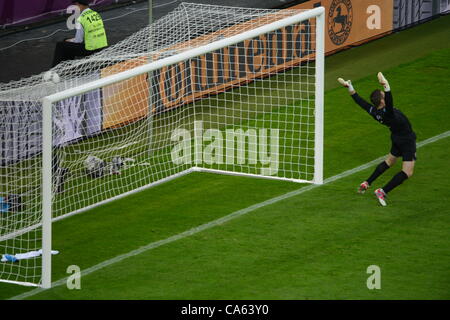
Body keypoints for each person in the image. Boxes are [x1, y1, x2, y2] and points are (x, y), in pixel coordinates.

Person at [337, 73, 416, 206]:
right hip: (406, 140)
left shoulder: (375, 112)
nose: (385, 97)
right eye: (384, 96)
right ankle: (382, 191)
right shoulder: (388, 113)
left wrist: (350, 87)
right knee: (407, 172)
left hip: (396, 137)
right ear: (382, 101)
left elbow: (360, 102)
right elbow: (390, 100)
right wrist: (385, 85)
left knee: (389, 161)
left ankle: (367, 182)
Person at [52, 0, 108, 67]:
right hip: (101, 46)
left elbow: (78, 41)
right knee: (68, 44)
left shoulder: (81, 18)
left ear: (78, 4)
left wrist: (69, 40)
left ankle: (54, 70)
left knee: (61, 45)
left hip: (90, 49)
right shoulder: (95, 14)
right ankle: (67, 67)